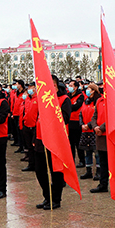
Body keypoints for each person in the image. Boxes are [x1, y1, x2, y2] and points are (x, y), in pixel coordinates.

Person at [34, 75, 71, 210]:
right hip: (40, 139)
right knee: (40, 171)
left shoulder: (64, 99)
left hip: (56, 141)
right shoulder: (42, 99)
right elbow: (38, 120)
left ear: (55, 85)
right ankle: (47, 196)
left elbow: (65, 119)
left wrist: (52, 107)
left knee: (56, 171)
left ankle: (56, 198)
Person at [88, 87, 110, 193]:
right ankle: (103, 184)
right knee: (103, 162)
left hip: (110, 136)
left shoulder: (113, 101)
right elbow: (94, 116)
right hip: (100, 136)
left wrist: (101, 128)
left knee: (112, 162)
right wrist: (95, 127)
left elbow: (113, 117)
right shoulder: (99, 101)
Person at [78, 83, 100, 179]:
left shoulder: (98, 102)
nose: (87, 90)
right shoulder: (85, 101)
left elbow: (98, 116)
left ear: (93, 91)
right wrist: (82, 124)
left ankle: (99, 172)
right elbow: (80, 114)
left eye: (89, 89)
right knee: (88, 152)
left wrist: (90, 125)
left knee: (97, 153)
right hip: (85, 131)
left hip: (94, 130)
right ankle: (88, 171)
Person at [68, 80, 85, 168]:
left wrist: (69, 106)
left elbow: (76, 107)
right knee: (70, 143)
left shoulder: (80, 96)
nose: (69, 87)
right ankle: (71, 160)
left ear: (75, 87)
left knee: (78, 143)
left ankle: (82, 160)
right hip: (69, 121)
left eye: (71, 85)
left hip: (77, 122)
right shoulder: (68, 96)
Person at [21, 83, 38, 172]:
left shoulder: (38, 99)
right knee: (29, 147)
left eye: (31, 88)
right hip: (26, 125)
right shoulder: (27, 98)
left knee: (36, 147)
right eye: (29, 88)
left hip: (35, 127)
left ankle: (37, 165)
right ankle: (31, 164)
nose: (29, 89)